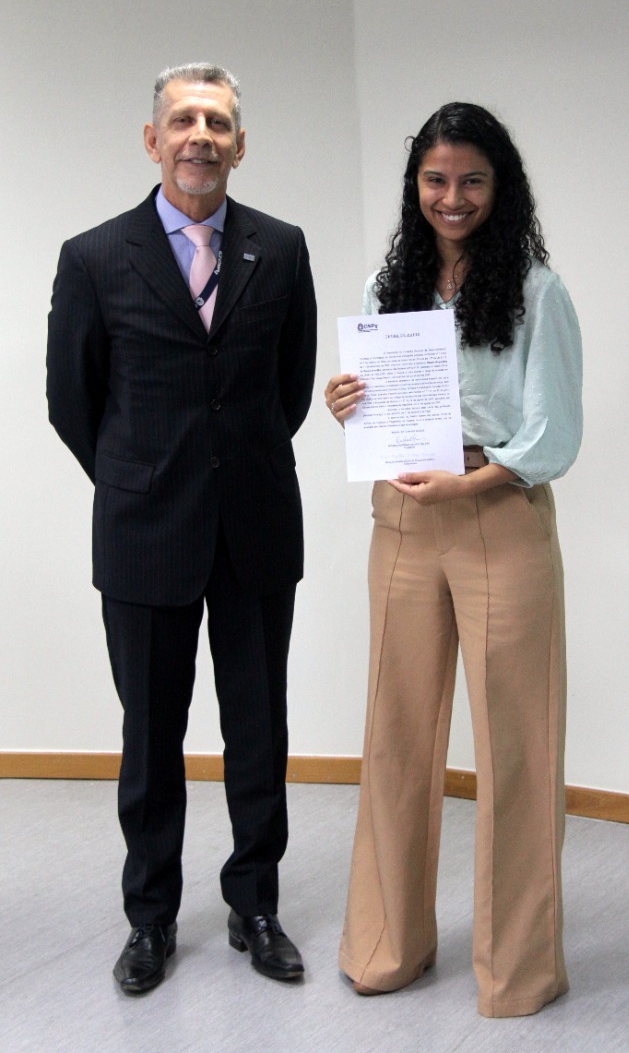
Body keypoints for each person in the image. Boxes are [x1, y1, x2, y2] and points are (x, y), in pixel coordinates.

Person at [47, 63, 316, 994]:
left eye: (218, 122)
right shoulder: (93, 256)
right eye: (183, 120)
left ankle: (255, 906)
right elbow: (72, 400)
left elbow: (289, 390)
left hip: (255, 529)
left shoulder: (281, 248)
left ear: (240, 146)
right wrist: (144, 478)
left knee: (259, 730)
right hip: (143, 533)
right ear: (152, 139)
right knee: (151, 739)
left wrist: (228, 468)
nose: (200, 135)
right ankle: (151, 919)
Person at [325, 102, 582, 1018]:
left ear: (498, 186)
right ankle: (385, 944)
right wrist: (345, 403)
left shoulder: (537, 291)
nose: (452, 197)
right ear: (415, 187)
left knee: (516, 744)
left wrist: (471, 483)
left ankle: (518, 969)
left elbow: (554, 430)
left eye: (471, 179)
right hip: (401, 515)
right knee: (394, 733)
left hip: (498, 511)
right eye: (435, 180)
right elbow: (378, 411)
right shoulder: (385, 286)